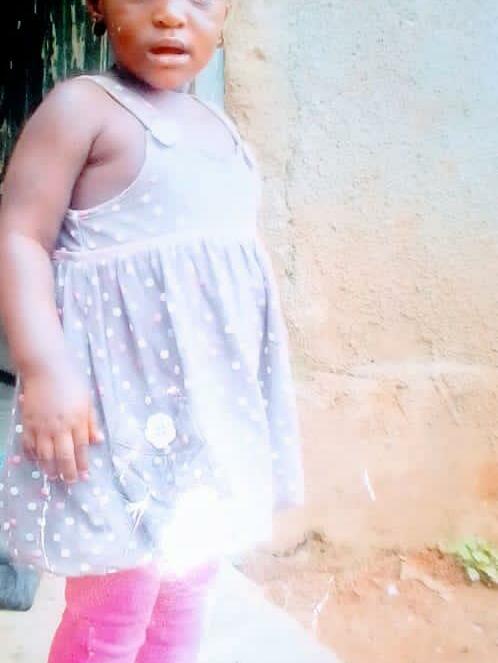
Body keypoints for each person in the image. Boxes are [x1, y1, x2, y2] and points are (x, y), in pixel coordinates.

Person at [0, 0, 305, 660]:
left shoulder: (219, 130)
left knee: (186, 591)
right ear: (97, 3)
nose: (171, 14)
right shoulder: (83, 110)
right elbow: (21, 236)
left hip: (201, 429)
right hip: (117, 423)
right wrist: (45, 368)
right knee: (116, 604)